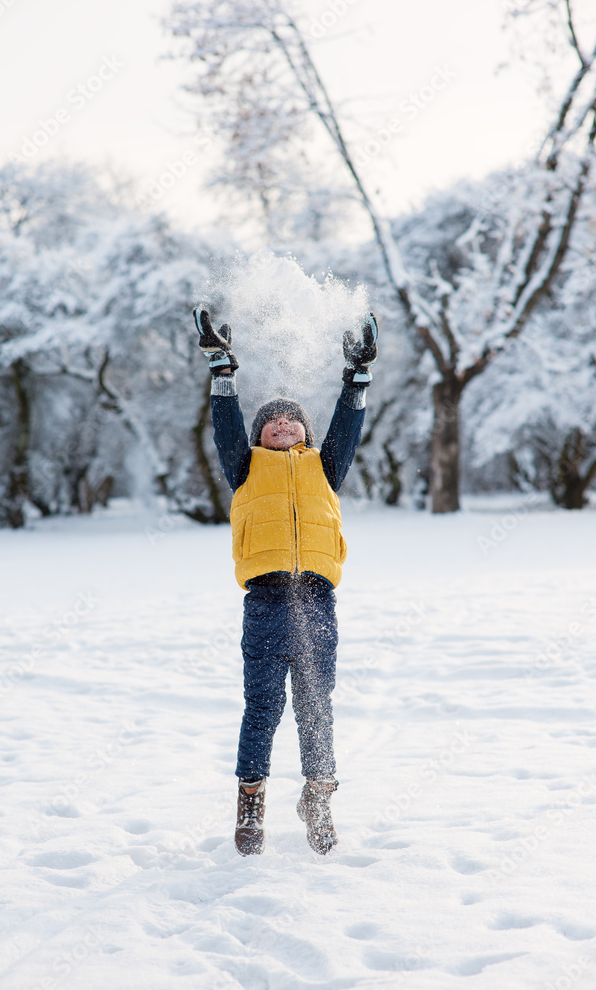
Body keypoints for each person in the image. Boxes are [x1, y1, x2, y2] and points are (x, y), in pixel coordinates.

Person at [194, 305, 378, 855]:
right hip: (268, 601)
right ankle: (251, 800)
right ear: (258, 436)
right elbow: (226, 424)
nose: (282, 422)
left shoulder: (326, 467)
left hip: (317, 600)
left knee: (316, 701)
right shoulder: (245, 467)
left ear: (306, 431)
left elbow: (348, 425)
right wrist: (223, 371)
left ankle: (319, 796)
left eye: (292, 418)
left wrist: (358, 376)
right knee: (264, 704)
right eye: (271, 420)